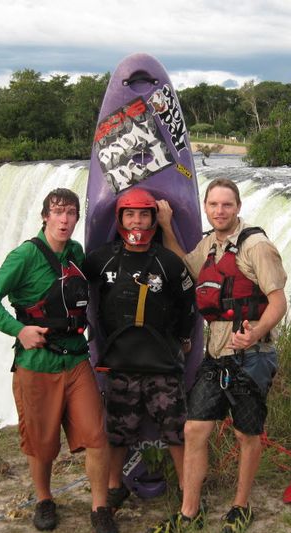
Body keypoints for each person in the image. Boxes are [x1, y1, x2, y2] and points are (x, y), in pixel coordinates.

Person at [0, 187, 118, 533]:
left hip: (75, 358)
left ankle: (100, 507)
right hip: (37, 362)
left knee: (97, 436)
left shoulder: (75, 252)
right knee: (41, 443)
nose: (65, 219)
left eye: (71, 213)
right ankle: (44, 500)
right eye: (58, 212)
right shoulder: (24, 256)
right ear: (45, 216)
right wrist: (18, 329)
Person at [150, 177, 287, 533]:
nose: (220, 211)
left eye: (226, 205)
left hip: (251, 355)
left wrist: (255, 332)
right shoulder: (210, 244)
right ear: (207, 208)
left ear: (238, 207)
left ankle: (240, 506)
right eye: (213, 205)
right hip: (216, 357)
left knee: (246, 434)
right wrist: (165, 226)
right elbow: (186, 266)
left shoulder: (256, 247)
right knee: (195, 428)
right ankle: (189, 512)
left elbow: (278, 302)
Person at [83, 188, 196, 511]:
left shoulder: (169, 262)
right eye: (130, 214)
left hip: (162, 365)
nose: (137, 221)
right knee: (118, 433)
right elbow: (70, 280)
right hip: (121, 364)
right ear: (120, 218)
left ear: (154, 219)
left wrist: (185, 338)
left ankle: (187, 491)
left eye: (144, 214)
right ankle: (114, 486)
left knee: (176, 433)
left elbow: (189, 303)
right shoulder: (102, 258)